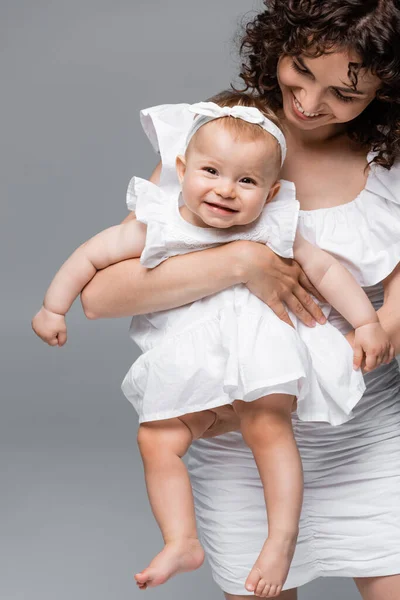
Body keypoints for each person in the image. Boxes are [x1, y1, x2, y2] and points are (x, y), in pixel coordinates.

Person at [79, 1, 400, 599]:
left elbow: (391, 314)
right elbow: (100, 295)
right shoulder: (225, 139)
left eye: (344, 93)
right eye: (300, 69)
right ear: (278, 44)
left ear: (386, 92)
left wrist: (377, 332)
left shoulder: (389, 163)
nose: (308, 101)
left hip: (363, 429)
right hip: (236, 438)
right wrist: (241, 262)